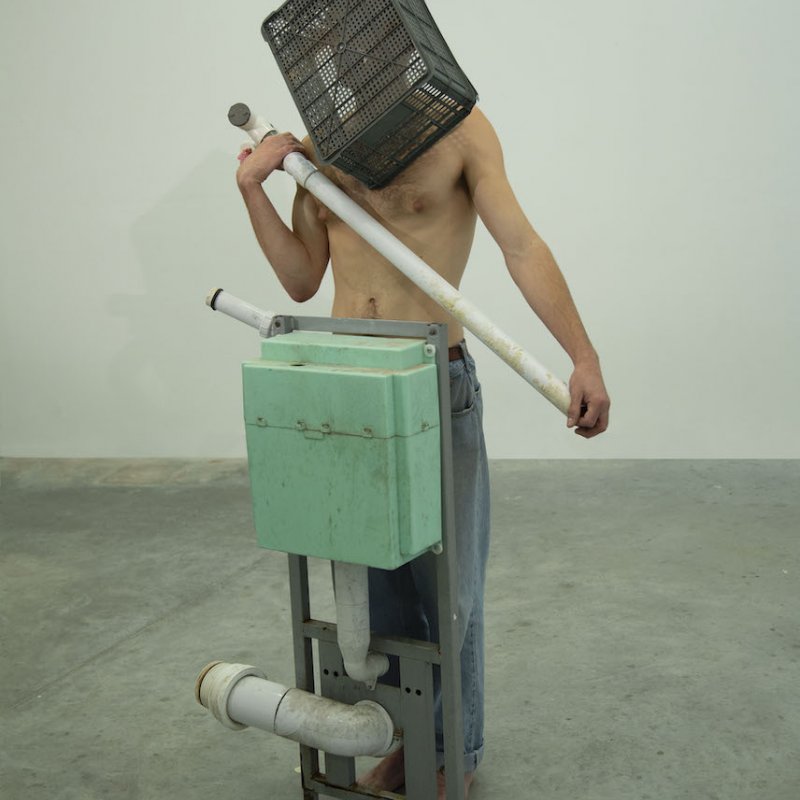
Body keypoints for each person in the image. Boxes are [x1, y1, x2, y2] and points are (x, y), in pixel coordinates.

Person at [236, 106, 610, 798]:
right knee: (377, 587)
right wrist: (254, 189)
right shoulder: (320, 145)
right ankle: (409, 737)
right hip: (350, 380)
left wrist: (581, 357)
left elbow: (521, 245)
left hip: (436, 380)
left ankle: (453, 754)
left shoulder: (461, 132)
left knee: (451, 591)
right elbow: (300, 278)